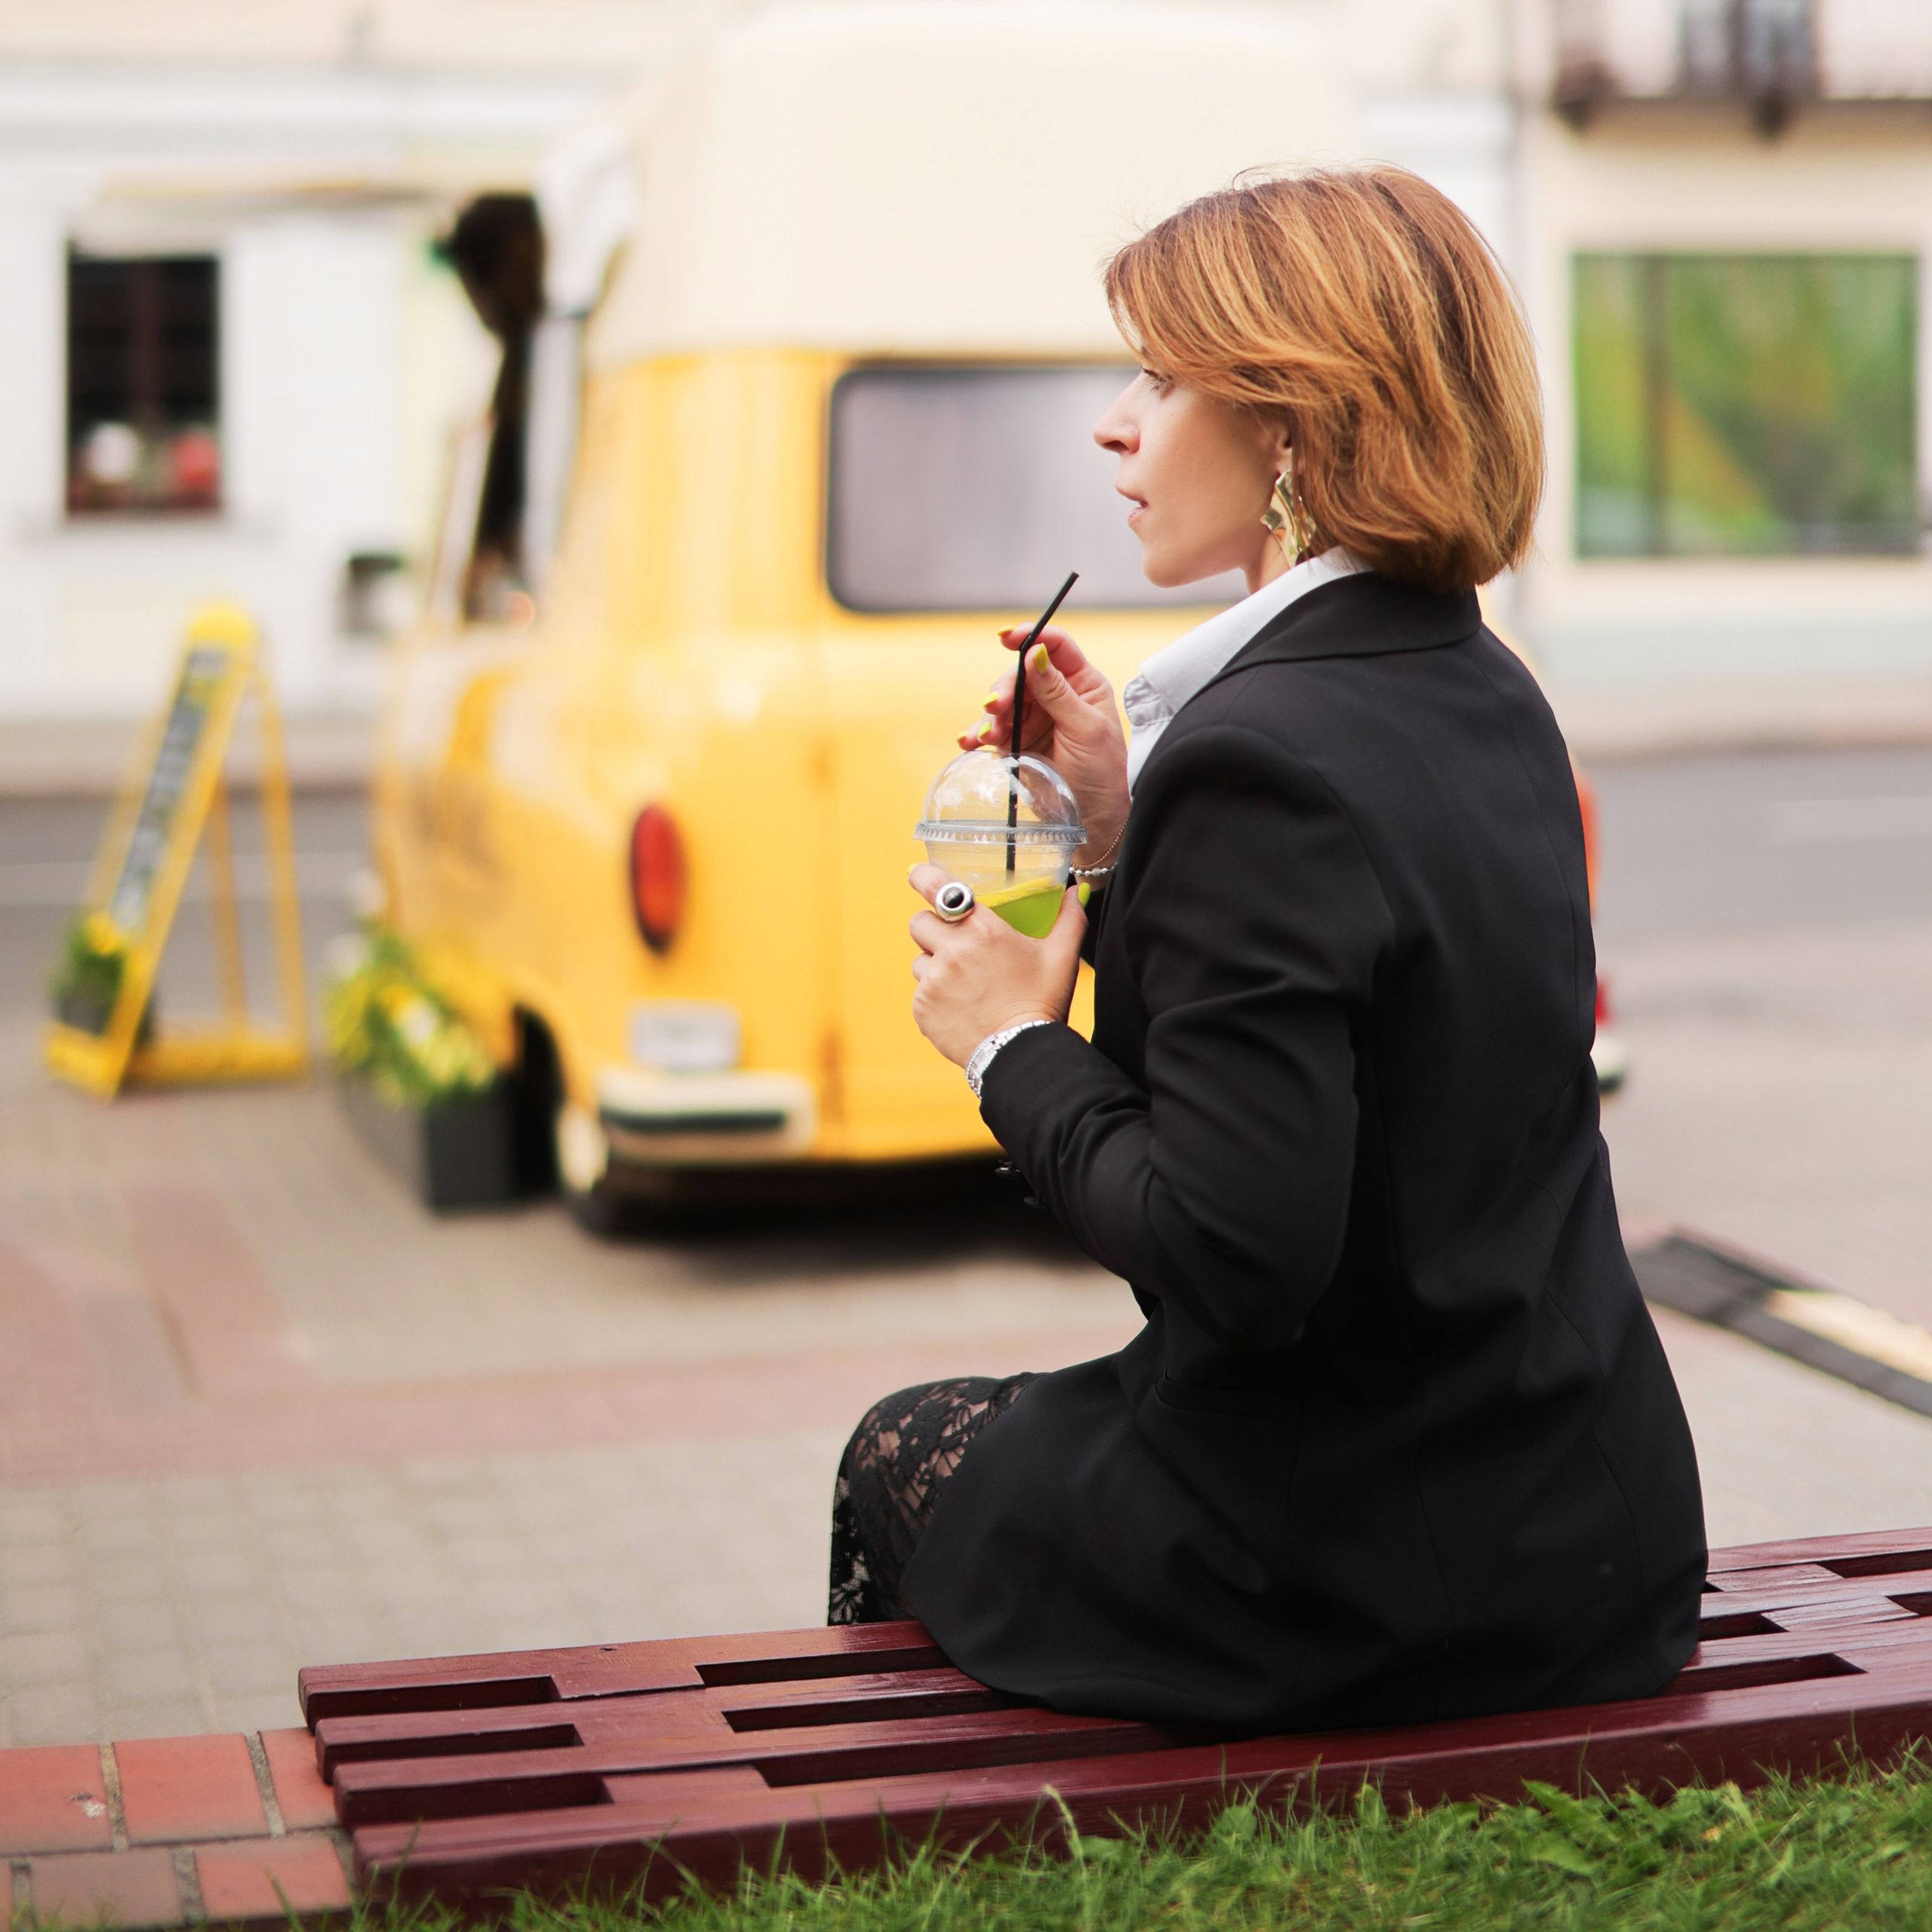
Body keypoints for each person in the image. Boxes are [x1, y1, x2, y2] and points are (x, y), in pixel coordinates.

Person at [826, 166, 1706, 1732]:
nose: (1113, 424)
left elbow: (1238, 1262)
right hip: (1587, 1519)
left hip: (1350, 1564)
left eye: (1159, 380)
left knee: (898, 1446)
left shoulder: (1261, 759)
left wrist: (1005, 1044)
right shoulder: (1479, 679)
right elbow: (1371, 1041)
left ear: (1292, 425)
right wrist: (1118, 828)